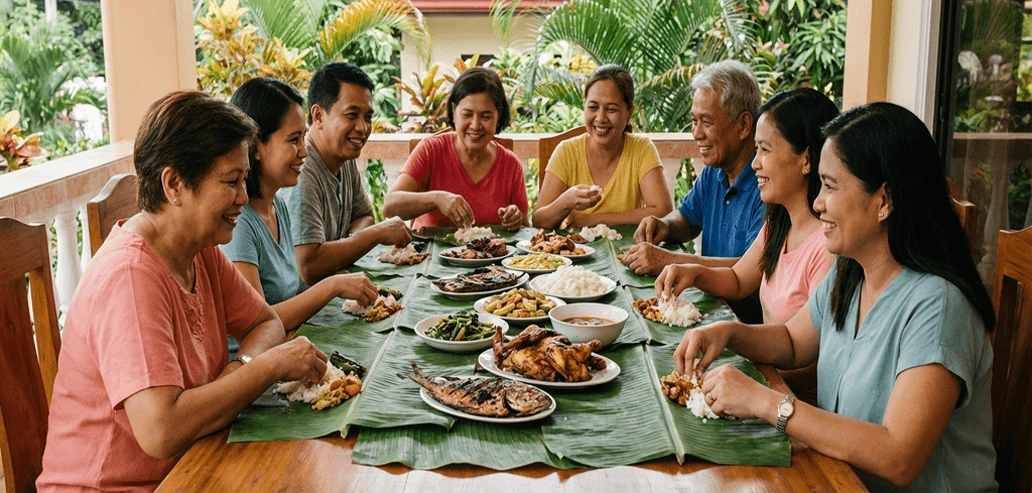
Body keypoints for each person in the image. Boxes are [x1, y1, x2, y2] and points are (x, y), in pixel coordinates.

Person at [667, 103, 997, 491]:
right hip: (839, 479)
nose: (818, 202)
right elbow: (792, 341)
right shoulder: (851, 270)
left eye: (831, 186)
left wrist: (764, 402)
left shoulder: (939, 306)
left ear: (885, 201)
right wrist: (726, 333)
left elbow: (899, 456)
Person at [37, 91, 329, 491]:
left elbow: (266, 322)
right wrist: (269, 366)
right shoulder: (131, 275)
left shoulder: (199, 250)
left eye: (244, 180)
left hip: (190, 462)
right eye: (231, 181)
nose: (243, 197)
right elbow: (161, 431)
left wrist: (237, 370)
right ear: (173, 184)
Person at [655, 88, 838, 403]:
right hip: (765, 383)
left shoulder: (828, 248)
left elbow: (816, 364)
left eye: (765, 150)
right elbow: (740, 279)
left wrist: (752, 377)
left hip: (794, 405)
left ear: (806, 159)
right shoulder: (781, 220)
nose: (754, 164)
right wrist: (693, 272)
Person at [222, 77, 379, 333]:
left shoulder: (277, 206)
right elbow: (257, 323)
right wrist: (333, 286)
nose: (304, 151)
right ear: (256, 145)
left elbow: (293, 293)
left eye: (303, 137)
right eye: (293, 140)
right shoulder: (238, 223)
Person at [626, 60, 765, 323]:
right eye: (693, 121)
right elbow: (688, 219)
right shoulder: (715, 170)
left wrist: (669, 259)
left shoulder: (767, 184)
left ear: (744, 125)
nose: (696, 133)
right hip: (710, 309)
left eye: (707, 122)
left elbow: (748, 272)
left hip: (744, 324)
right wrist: (664, 226)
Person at [287, 62, 411, 285]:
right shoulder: (302, 172)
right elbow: (309, 266)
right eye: (351, 115)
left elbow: (365, 216)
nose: (363, 128)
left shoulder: (344, 157)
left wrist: (346, 245)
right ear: (318, 116)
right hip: (310, 311)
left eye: (368, 117)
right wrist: (375, 234)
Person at [383, 67, 529, 230]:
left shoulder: (510, 164)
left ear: (499, 116)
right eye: (467, 115)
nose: (475, 125)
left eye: (486, 116)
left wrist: (514, 219)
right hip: (430, 253)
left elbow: (524, 227)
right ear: (453, 112)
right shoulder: (431, 150)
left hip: (492, 255)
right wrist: (437, 199)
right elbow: (390, 206)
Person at [532, 64, 672, 229]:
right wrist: (566, 201)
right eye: (593, 107)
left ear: (629, 114)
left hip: (626, 252)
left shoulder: (641, 149)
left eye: (611, 109)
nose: (600, 118)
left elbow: (663, 212)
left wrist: (596, 219)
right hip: (576, 252)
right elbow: (539, 221)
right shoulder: (566, 151)